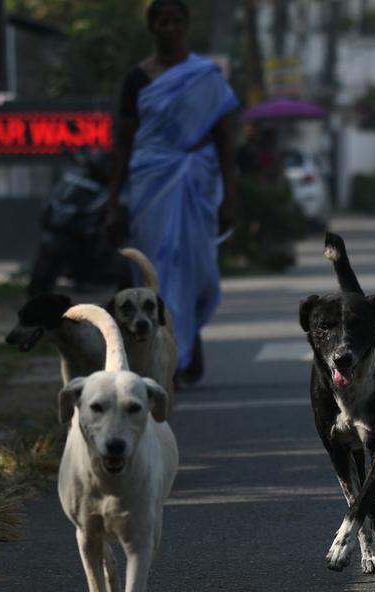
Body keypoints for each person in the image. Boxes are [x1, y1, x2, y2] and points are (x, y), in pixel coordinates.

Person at [107, 0, 240, 384]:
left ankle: (188, 335)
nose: (169, 29)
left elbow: (225, 138)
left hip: (197, 184)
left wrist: (230, 196)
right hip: (149, 184)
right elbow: (124, 143)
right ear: (153, 29)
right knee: (154, 271)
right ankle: (161, 359)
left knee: (201, 275)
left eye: (175, 22)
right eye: (161, 22)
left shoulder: (206, 77)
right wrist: (113, 202)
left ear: (186, 26)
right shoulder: (136, 79)